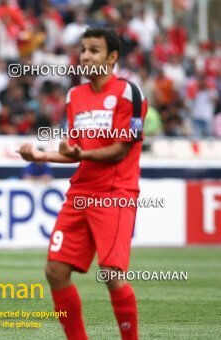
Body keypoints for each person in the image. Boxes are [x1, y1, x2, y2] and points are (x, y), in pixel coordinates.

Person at [18, 28, 147, 340]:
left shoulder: (129, 93)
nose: (86, 56)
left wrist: (81, 152)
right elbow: (74, 150)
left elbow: (121, 148)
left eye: (94, 50)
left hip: (114, 195)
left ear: (112, 57)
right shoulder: (75, 95)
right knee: (55, 271)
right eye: (84, 49)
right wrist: (40, 154)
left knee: (112, 274)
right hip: (80, 193)